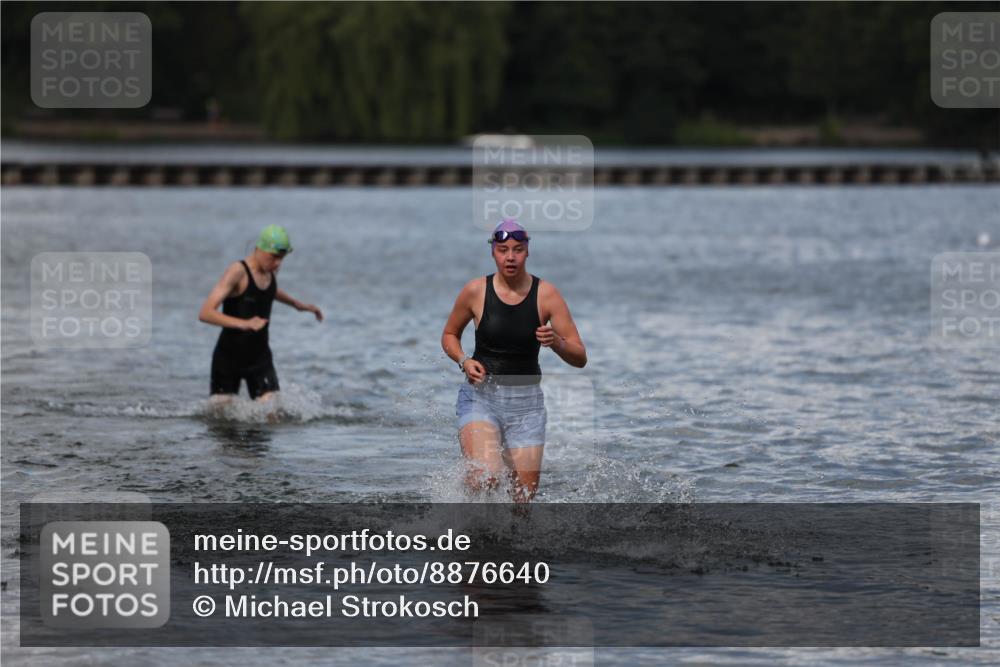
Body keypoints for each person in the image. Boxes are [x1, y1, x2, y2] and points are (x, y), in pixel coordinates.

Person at [441, 219, 586, 502]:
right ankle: (466, 524)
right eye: (503, 249)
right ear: (493, 252)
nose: (510, 257)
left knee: (522, 501)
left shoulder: (546, 294)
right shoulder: (475, 291)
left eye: (518, 249)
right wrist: (463, 360)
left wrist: (556, 342)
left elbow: (580, 357)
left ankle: (501, 540)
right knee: (487, 476)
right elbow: (449, 334)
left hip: (527, 406)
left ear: (528, 251)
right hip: (481, 397)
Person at [199, 224, 323, 403]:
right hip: (228, 356)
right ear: (259, 249)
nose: (278, 263)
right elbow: (205, 313)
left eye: (282, 258)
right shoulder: (237, 272)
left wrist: (298, 305)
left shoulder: (269, 272)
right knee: (223, 420)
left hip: (259, 356)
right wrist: (245, 323)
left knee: (271, 412)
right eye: (274, 257)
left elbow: (267, 291)